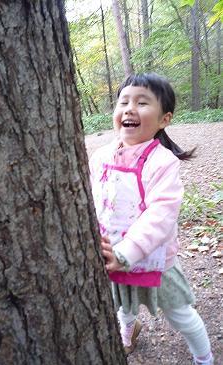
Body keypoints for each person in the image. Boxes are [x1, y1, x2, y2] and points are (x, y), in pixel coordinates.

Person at [89, 73, 214, 365]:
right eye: (124, 102)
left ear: (164, 119)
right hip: (112, 252)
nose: (130, 108)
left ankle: (204, 357)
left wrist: (127, 252)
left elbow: (161, 215)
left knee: (180, 313)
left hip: (156, 259)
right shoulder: (100, 156)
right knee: (123, 305)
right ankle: (128, 332)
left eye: (142, 103)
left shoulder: (162, 162)